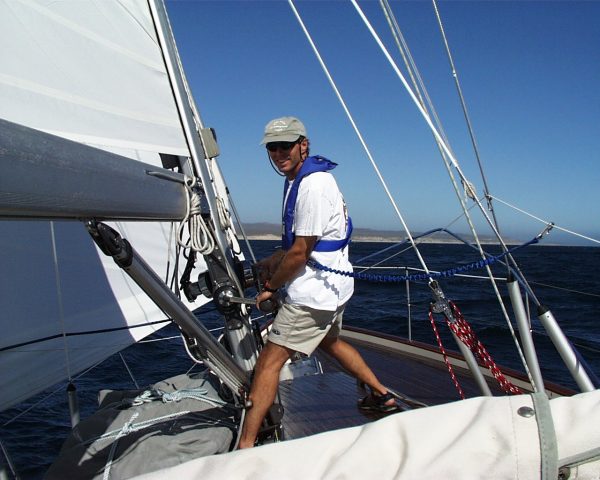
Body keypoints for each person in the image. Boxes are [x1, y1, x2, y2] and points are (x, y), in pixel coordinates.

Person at [237, 116, 397, 449]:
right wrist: (270, 261)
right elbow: (301, 245)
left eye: (286, 146)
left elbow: (299, 253)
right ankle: (383, 396)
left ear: (303, 146)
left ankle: (245, 447)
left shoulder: (311, 185)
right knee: (330, 342)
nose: (279, 153)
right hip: (333, 290)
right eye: (272, 147)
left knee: (268, 364)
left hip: (312, 296)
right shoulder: (302, 178)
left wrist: (271, 287)